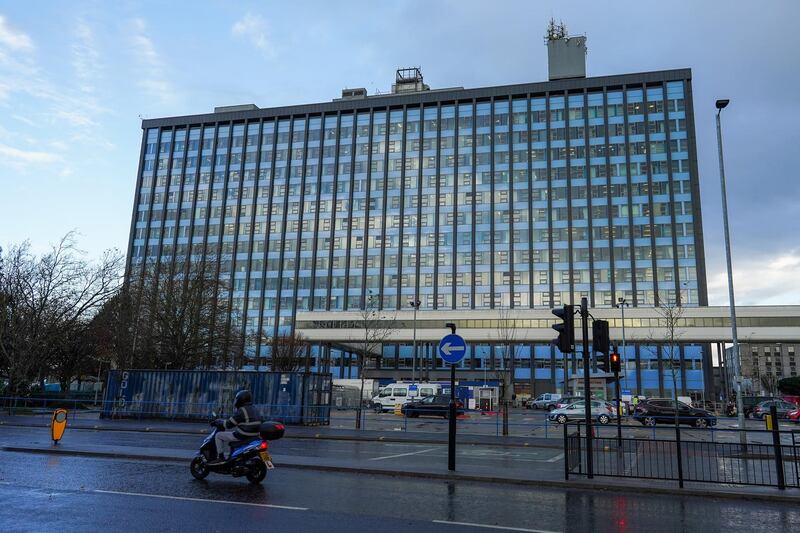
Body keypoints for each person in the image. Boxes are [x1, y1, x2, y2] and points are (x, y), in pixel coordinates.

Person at [210, 390, 262, 464]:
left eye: (237, 399)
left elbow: (228, 424)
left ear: (241, 399)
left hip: (243, 435)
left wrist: (218, 422)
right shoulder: (255, 409)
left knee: (218, 435)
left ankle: (220, 457)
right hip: (254, 435)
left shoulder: (242, 410)